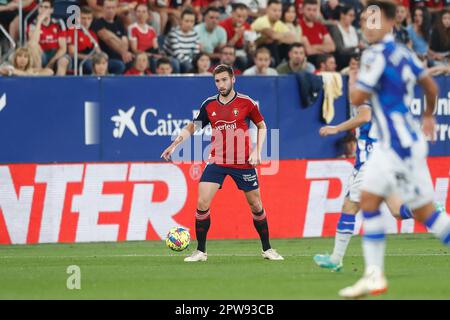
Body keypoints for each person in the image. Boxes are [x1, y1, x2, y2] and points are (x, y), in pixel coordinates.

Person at [338, 0, 450, 299]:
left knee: (426, 213)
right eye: (365, 19)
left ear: (390, 23)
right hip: (396, 143)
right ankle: (374, 275)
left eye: (374, 19)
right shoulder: (404, 52)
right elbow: (432, 88)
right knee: (373, 201)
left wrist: (353, 78)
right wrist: (428, 115)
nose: (367, 25)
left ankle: (374, 275)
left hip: (398, 146)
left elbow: (358, 95)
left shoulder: (375, 56)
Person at [160, 64, 284, 262]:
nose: (221, 84)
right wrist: (174, 145)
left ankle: (267, 249)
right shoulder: (209, 105)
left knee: (256, 205)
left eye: (224, 80)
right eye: (217, 81)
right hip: (217, 160)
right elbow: (193, 127)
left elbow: (262, 126)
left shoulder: (247, 103)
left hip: (243, 161)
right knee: (202, 202)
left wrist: (257, 151)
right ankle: (201, 251)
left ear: (233, 79)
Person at [27, 0, 71, 75]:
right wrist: (39, 21)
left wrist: (51, 62)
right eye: (41, 7)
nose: (43, 10)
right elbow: (33, 43)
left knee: (63, 61)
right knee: (32, 45)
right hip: (41, 55)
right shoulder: (33, 24)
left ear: (51, 10)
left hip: (56, 54)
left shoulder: (59, 23)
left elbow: (63, 48)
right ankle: (40, 77)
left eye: (46, 7)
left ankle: (59, 84)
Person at [91, 0, 134, 75]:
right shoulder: (98, 22)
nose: (110, 10)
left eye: (113, 8)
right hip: (106, 59)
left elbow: (125, 42)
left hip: (122, 57)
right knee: (120, 65)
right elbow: (108, 39)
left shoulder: (119, 23)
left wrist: (124, 51)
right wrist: (123, 51)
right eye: (108, 8)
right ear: (103, 9)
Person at [251, 0, 296, 65]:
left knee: (288, 46)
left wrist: (278, 38)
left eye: (279, 10)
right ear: (267, 10)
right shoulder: (262, 21)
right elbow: (273, 35)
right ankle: (277, 67)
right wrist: (282, 37)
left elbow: (292, 38)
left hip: (271, 50)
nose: (277, 13)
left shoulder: (279, 23)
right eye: (274, 10)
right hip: (254, 50)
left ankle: (288, 67)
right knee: (271, 43)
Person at [299, 0, 336, 67]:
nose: (311, 13)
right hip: (309, 60)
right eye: (309, 9)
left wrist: (314, 47)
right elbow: (309, 51)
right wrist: (323, 48)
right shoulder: (299, 26)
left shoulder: (320, 26)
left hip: (323, 59)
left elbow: (332, 47)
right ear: (303, 10)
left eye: (314, 10)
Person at [164, 8, 200, 73]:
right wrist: (192, 62)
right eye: (187, 21)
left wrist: (195, 62)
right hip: (171, 60)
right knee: (186, 65)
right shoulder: (173, 33)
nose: (189, 24)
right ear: (181, 21)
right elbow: (177, 54)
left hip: (187, 60)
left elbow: (196, 53)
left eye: (192, 21)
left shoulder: (195, 34)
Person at [67, 6, 100, 75]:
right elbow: (72, 53)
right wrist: (90, 58)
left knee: (118, 65)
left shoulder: (92, 33)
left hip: (91, 58)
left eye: (89, 18)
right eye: (83, 18)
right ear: (78, 19)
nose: (86, 21)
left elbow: (98, 51)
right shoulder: (73, 31)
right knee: (90, 65)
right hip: (77, 59)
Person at [328, 5, 360, 70]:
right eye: (350, 15)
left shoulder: (354, 29)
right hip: (344, 58)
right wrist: (355, 47)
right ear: (342, 15)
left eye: (353, 16)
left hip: (357, 56)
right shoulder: (336, 29)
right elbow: (340, 49)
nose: (352, 18)